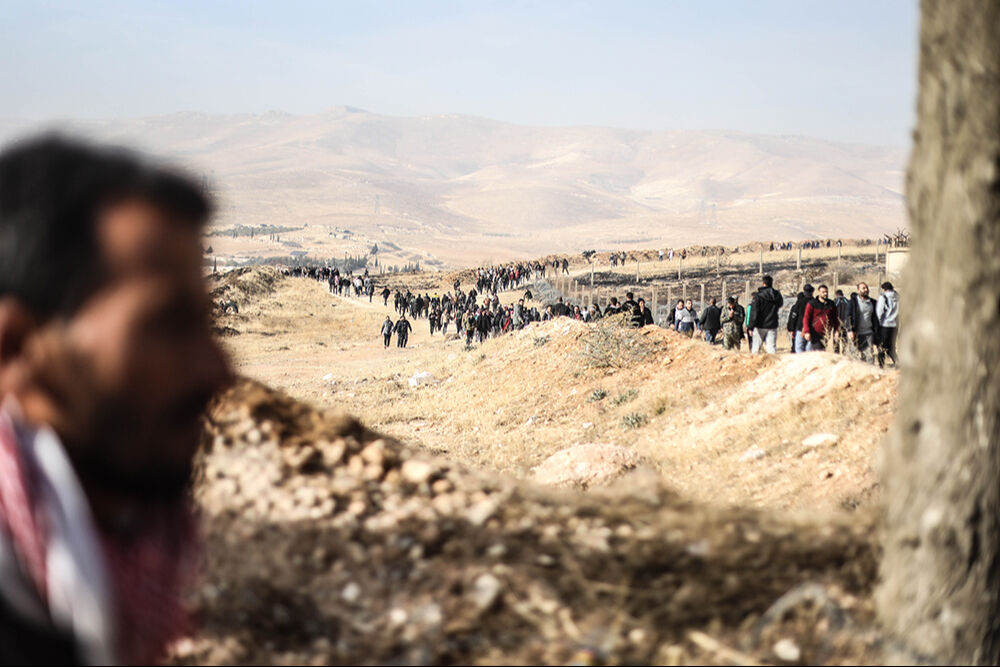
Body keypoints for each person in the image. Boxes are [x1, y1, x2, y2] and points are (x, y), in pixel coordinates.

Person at [0, 136, 232, 663]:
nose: (220, 374)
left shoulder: (114, 562)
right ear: (16, 350)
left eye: (205, 323)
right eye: (167, 326)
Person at [747, 275, 783, 354]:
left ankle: (755, 364)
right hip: (772, 324)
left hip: (760, 325)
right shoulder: (777, 295)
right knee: (771, 348)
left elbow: (754, 312)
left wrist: (750, 326)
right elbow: (780, 304)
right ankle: (773, 364)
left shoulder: (758, 296)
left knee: (756, 348)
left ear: (763, 283)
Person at [845, 282, 880, 364]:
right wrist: (850, 330)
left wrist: (877, 331)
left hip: (868, 333)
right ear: (858, 290)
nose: (866, 290)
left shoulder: (873, 302)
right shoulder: (852, 302)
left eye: (867, 288)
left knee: (869, 357)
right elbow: (847, 316)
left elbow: (875, 317)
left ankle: (869, 374)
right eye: (863, 288)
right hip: (855, 333)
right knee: (854, 357)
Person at [802, 284, 840, 351]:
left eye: (826, 292)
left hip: (826, 333)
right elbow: (806, 318)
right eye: (823, 292)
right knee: (819, 351)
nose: (825, 294)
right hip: (815, 333)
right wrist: (807, 331)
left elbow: (835, 318)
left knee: (823, 350)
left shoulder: (831, 304)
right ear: (818, 292)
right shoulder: (812, 303)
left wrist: (836, 330)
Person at [876, 282, 899, 367]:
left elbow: (879, 311)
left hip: (885, 324)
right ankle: (897, 362)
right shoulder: (897, 296)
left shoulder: (883, 297)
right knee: (891, 347)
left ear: (884, 289)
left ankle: (881, 365)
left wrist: (878, 322)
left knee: (881, 347)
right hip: (895, 325)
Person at [833, 289, 851, 354]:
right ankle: (844, 354)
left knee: (836, 342)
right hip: (846, 324)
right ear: (842, 294)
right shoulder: (847, 301)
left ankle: (836, 355)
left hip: (837, 324)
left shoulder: (835, 302)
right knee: (845, 342)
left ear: (836, 295)